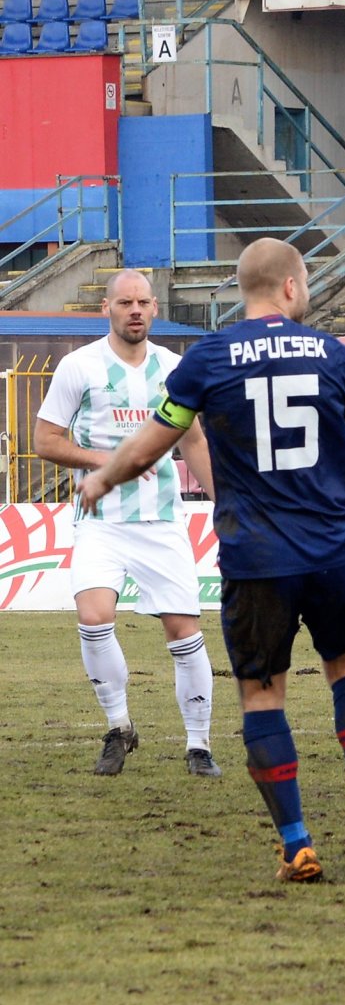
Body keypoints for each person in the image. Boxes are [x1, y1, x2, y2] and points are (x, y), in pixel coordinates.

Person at [78, 239, 345, 883]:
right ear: (290, 287)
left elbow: (150, 447)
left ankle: (296, 844)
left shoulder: (207, 360)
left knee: (261, 694)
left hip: (256, 554)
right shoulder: (334, 355)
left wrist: (102, 478)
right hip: (335, 546)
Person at [33, 268, 222, 778]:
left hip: (161, 519)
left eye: (142, 302)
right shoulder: (79, 366)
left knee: (184, 633)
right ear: (107, 308)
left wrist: (223, 502)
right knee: (93, 619)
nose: (134, 310)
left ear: (154, 309)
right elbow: (45, 440)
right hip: (101, 519)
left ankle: (199, 745)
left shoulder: (175, 369)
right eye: (124, 303)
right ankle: (119, 728)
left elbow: (195, 442)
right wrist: (103, 462)